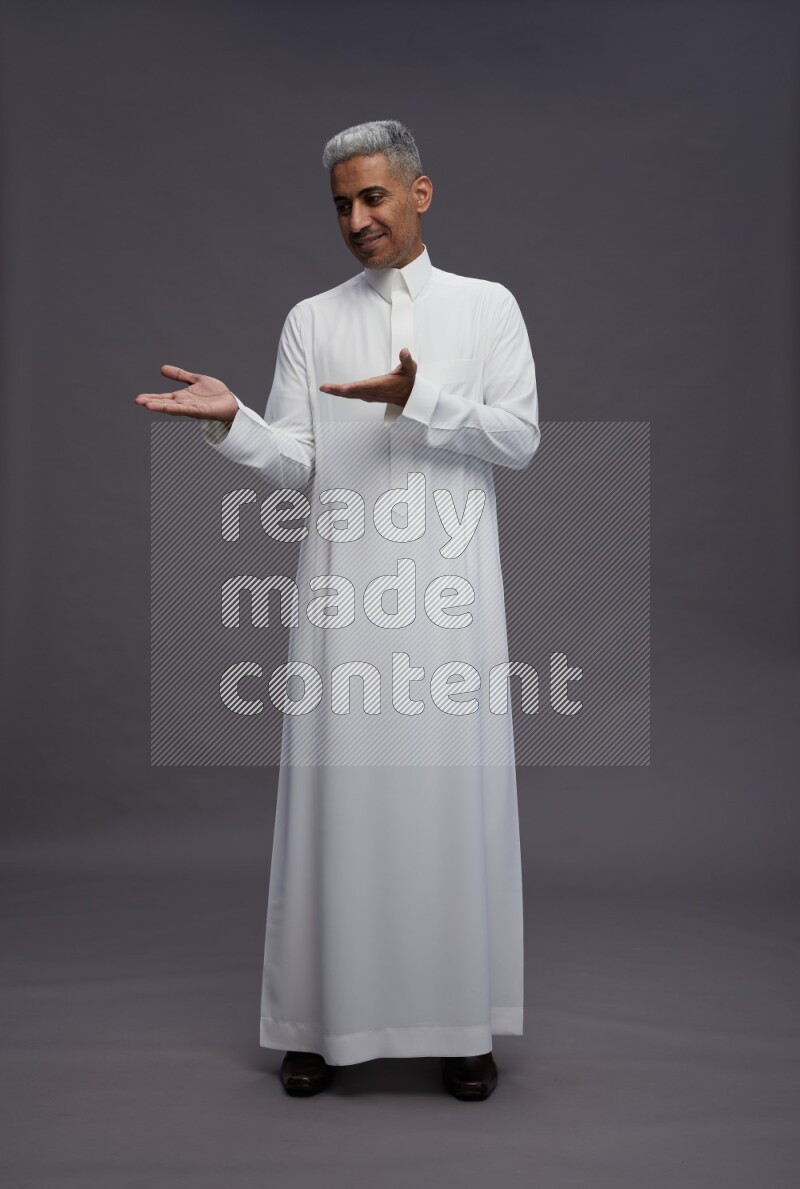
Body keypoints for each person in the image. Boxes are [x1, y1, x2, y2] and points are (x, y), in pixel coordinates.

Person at [135, 119, 541, 1100]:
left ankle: (462, 1025)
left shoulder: (486, 310)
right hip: (342, 597)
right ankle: (317, 1022)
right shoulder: (310, 319)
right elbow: (301, 462)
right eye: (342, 206)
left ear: (419, 194)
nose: (357, 220)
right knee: (337, 804)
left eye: (373, 198)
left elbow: (519, 440)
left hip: (447, 608)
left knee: (451, 804)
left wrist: (421, 395)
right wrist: (236, 423)